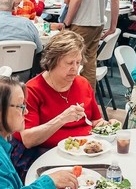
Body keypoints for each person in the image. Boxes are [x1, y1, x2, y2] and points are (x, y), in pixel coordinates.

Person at [13, 31, 105, 173]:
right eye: (69, 63)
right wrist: (62, 119)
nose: (75, 68)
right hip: (47, 157)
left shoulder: (82, 83)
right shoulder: (32, 90)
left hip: (86, 154)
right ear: (52, 61)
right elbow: (28, 139)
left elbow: (95, 121)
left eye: (78, 62)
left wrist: (105, 127)